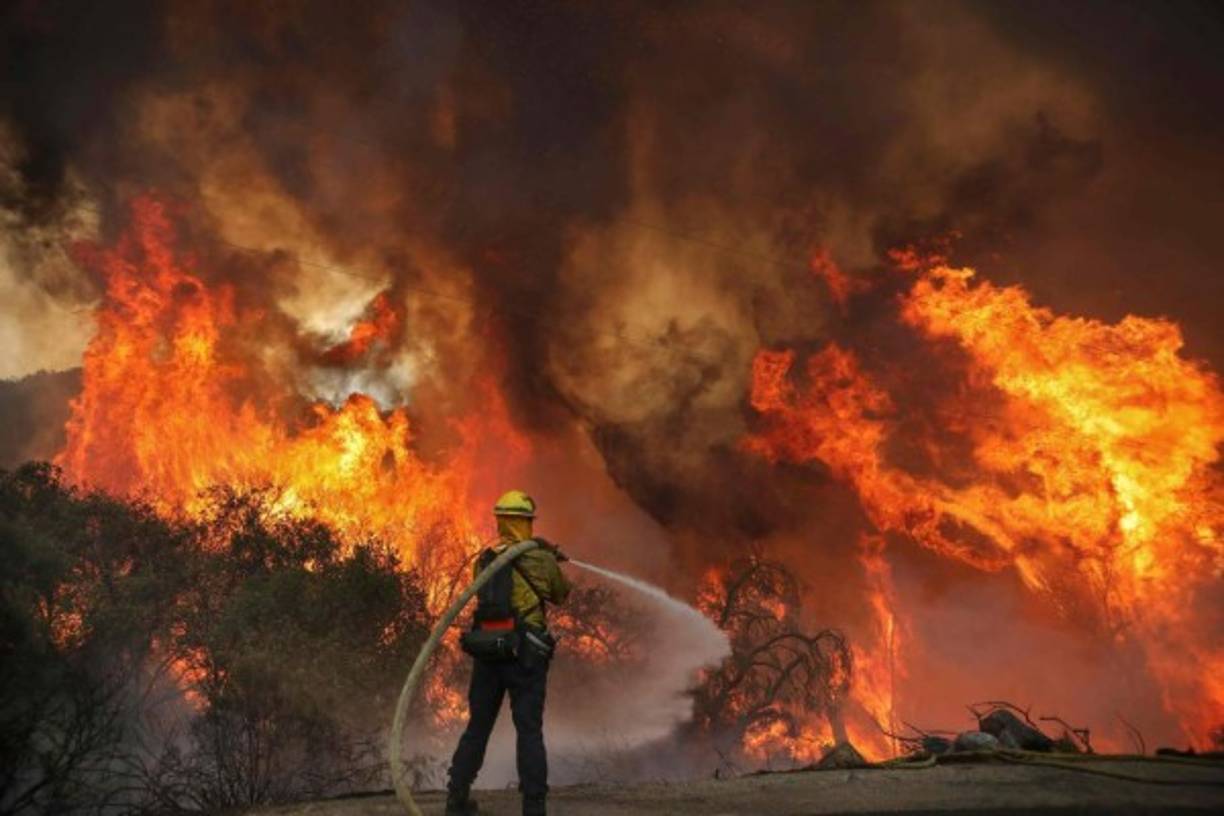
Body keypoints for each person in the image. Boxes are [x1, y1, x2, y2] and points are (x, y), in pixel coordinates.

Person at [446, 490, 571, 816]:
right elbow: (560, 594)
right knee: (529, 729)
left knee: (478, 726)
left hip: (488, 653)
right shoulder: (539, 559)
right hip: (525, 655)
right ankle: (534, 808)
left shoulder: (484, 560)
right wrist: (550, 560)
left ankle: (455, 800)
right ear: (527, 522)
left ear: (501, 521)